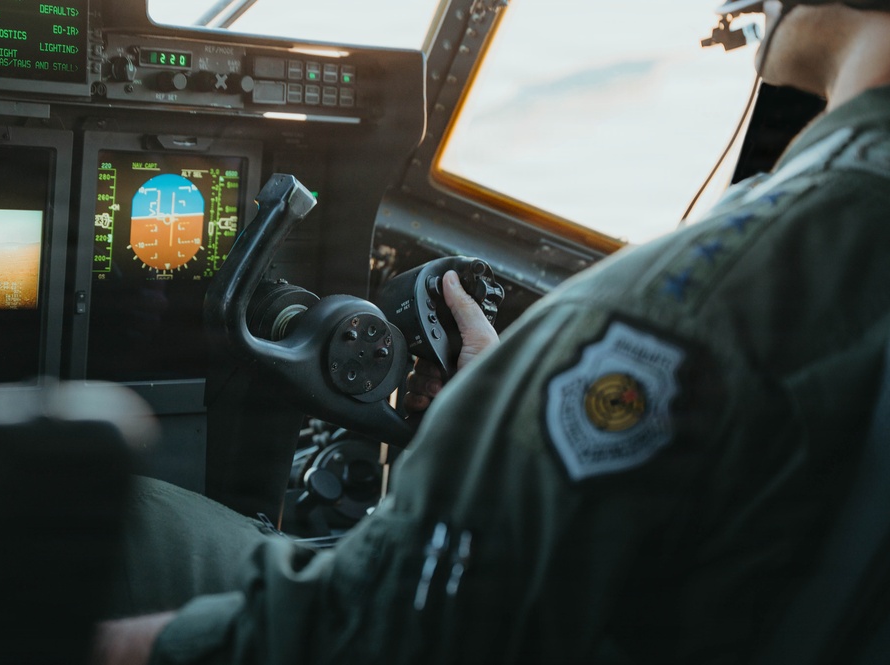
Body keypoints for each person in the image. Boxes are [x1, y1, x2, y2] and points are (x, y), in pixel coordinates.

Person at [92, 0, 890, 662]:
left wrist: (496, 432)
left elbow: (381, 630)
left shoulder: (682, 312)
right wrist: (502, 416)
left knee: (117, 522)